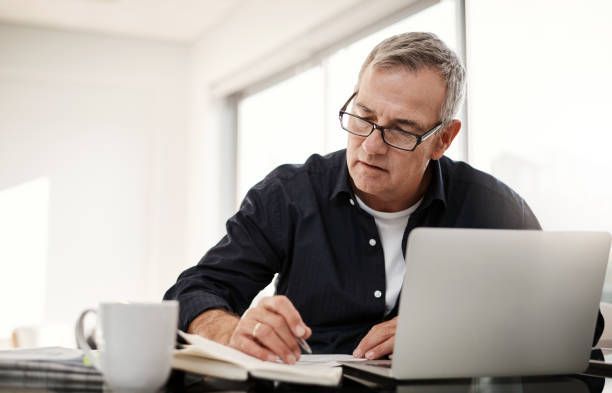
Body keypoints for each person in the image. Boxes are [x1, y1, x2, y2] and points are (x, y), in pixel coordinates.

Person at [164, 32, 603, 364]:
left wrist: (457, 332)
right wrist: (232, 330)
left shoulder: (493, 206)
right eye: (364, 117)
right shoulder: (289, 195)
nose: (371, 145)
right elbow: (191, 292)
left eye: (401, 129)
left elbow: (576, 319)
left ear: (443, 140)